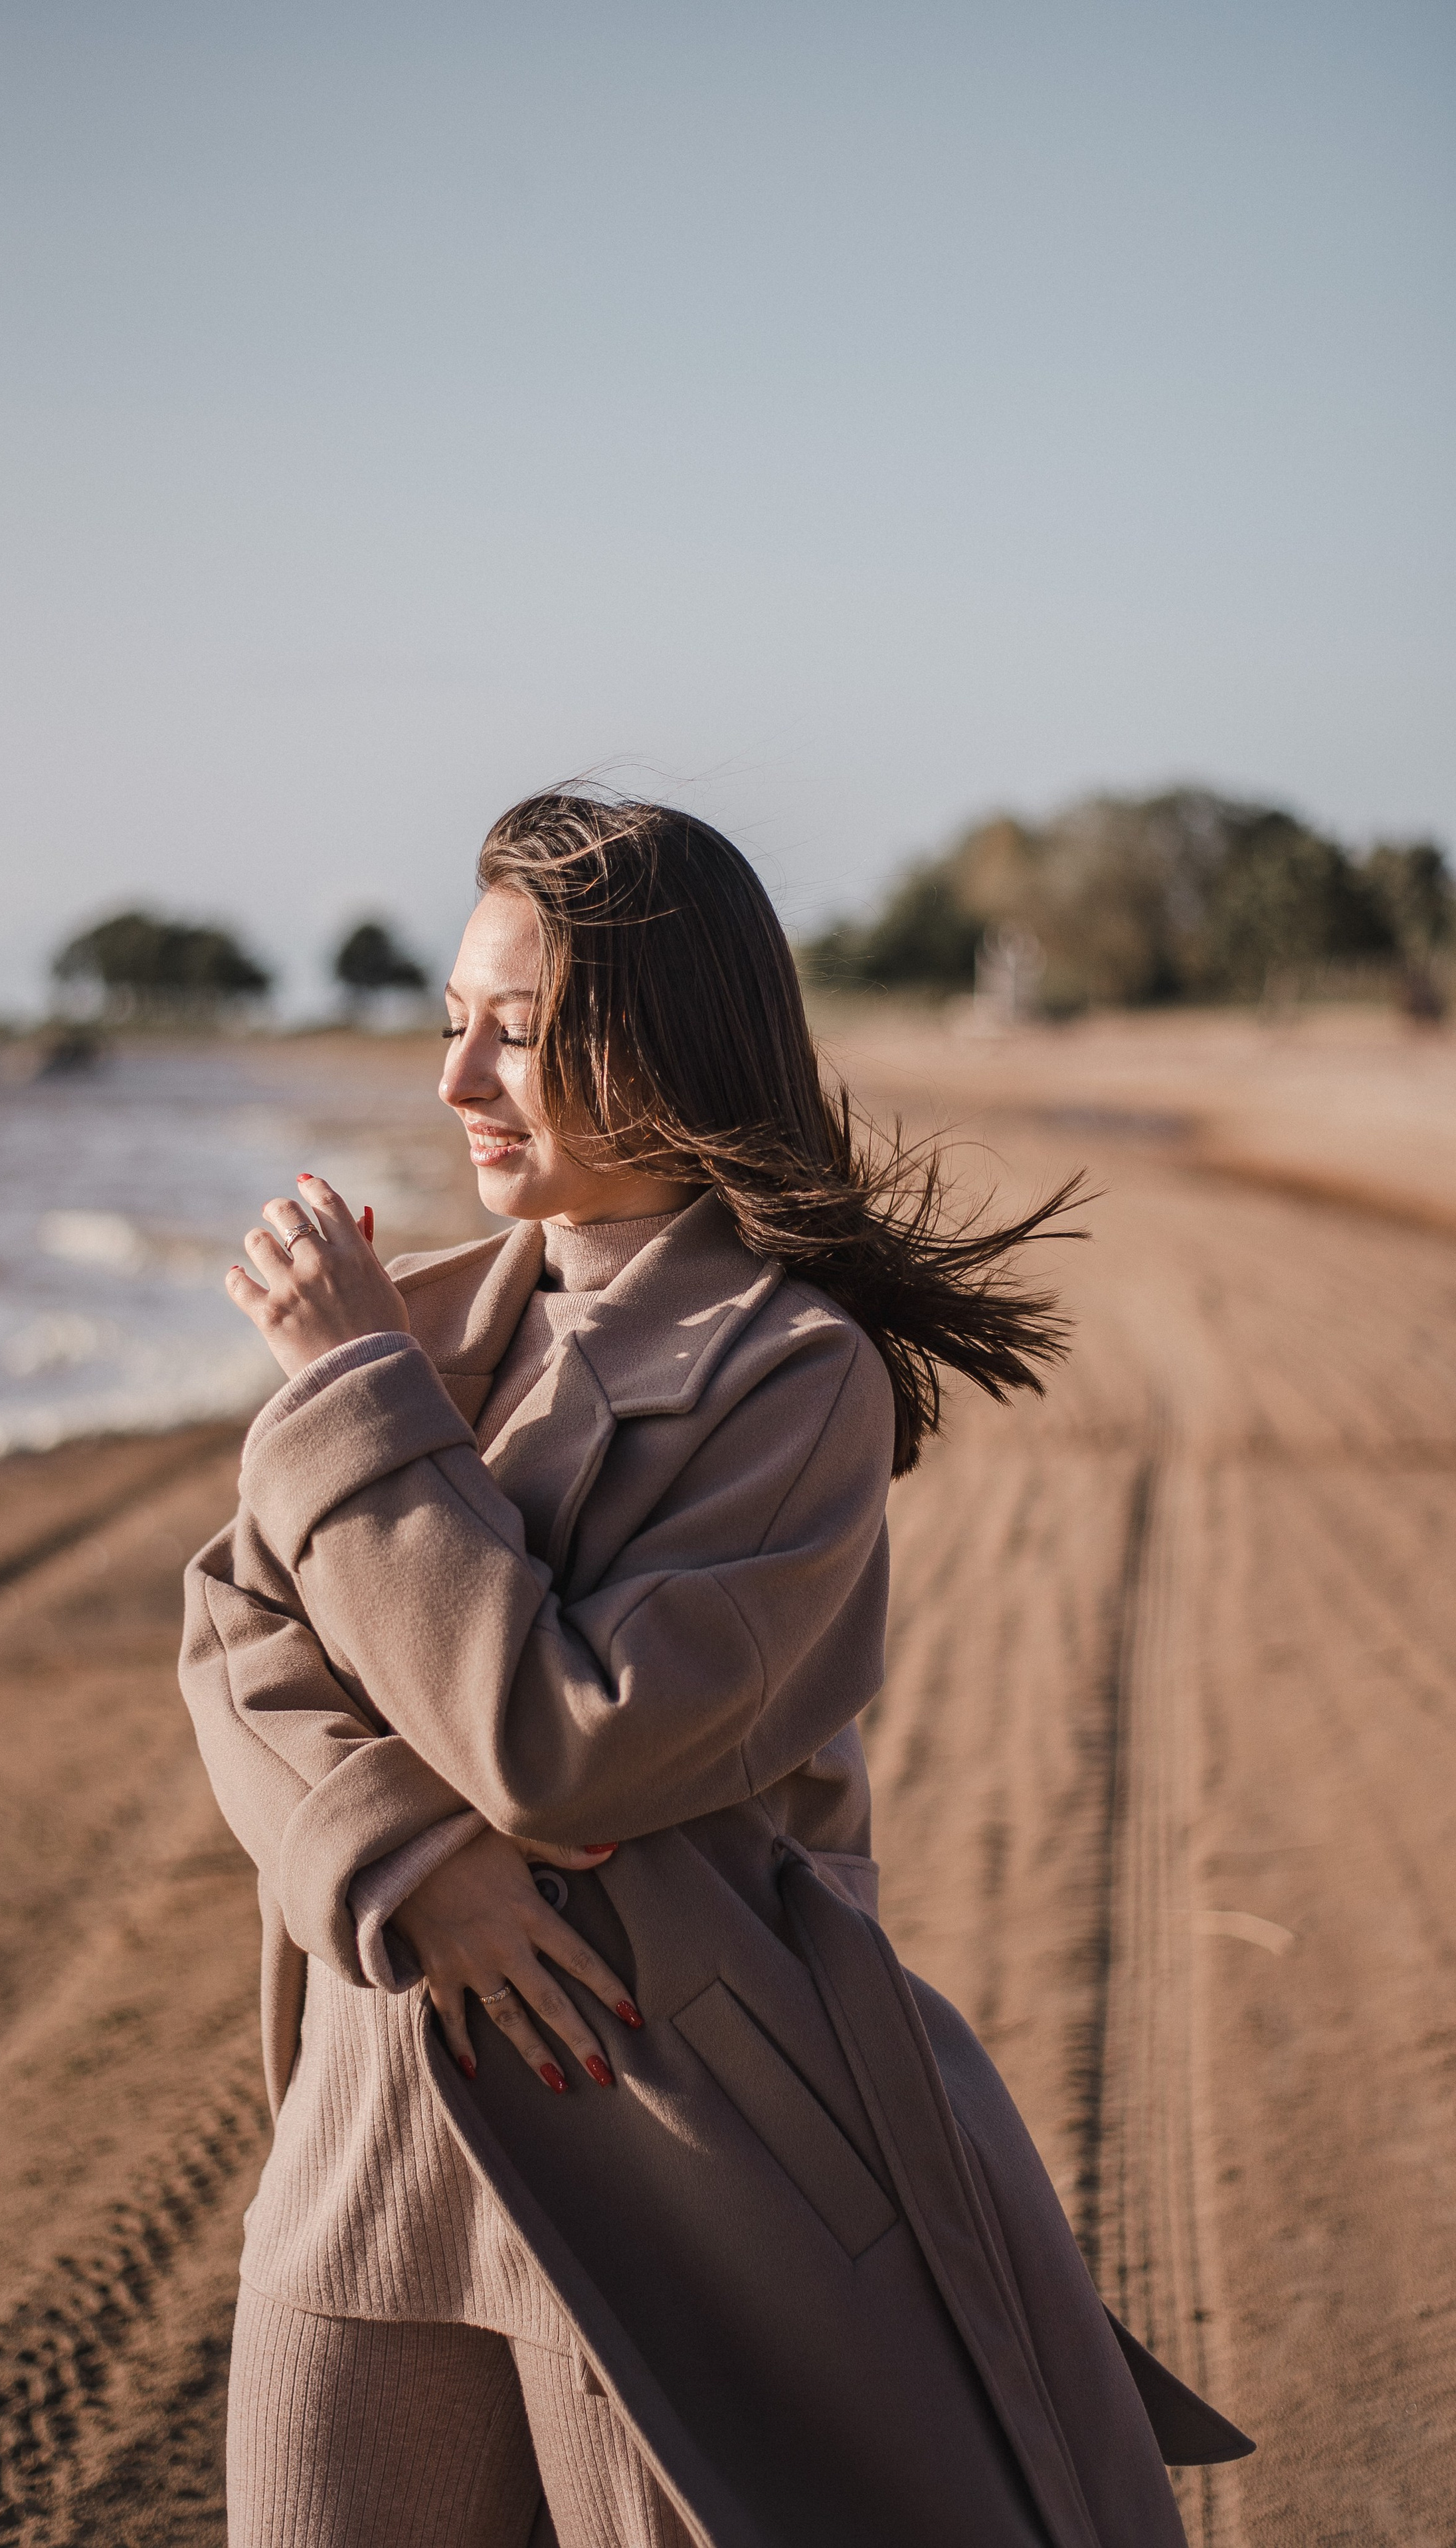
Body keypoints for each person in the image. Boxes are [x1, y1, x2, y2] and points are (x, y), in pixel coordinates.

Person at [181, 793, 1249, 2548]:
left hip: (668, 2157)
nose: (459, 1081)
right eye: (454, 1023)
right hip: (372, 2141)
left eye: (515, 1032)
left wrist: (350, 1395)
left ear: (661, 1034)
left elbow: (572, 1742)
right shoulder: (423, 1323)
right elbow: (231, 1630)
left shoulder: (794, 1380)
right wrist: (412, 1858)